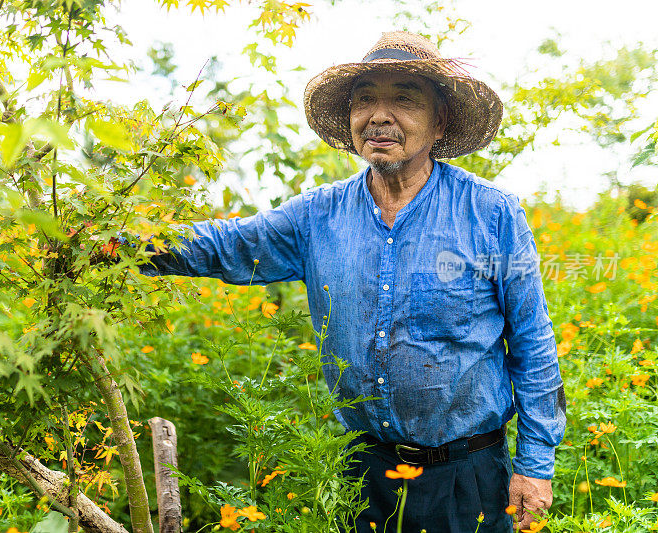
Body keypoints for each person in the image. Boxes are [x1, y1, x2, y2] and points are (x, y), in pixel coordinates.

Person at [119, 31, 566, 533]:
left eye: (403, 99)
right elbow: (227, 245)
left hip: (468, 476)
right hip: (361, 475)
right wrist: (114, 243)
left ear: (439, 121)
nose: (379, 114)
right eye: (365, 99)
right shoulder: (318, 215)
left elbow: (533, 345)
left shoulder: (491, 213)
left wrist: (534, 466)